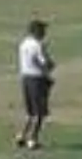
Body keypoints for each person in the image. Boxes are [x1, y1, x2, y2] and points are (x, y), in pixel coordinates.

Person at [16, 19, 56, 150]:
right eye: (42, 30)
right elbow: (44, 62)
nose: (44, 32)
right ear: (36, 31)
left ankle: (21, 135)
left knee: (30, 112)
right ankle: (33, 139)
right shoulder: (38, 45)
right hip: (37, 79)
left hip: (25, 78)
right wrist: (51, 65)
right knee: (40, 113)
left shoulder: (23, 44)